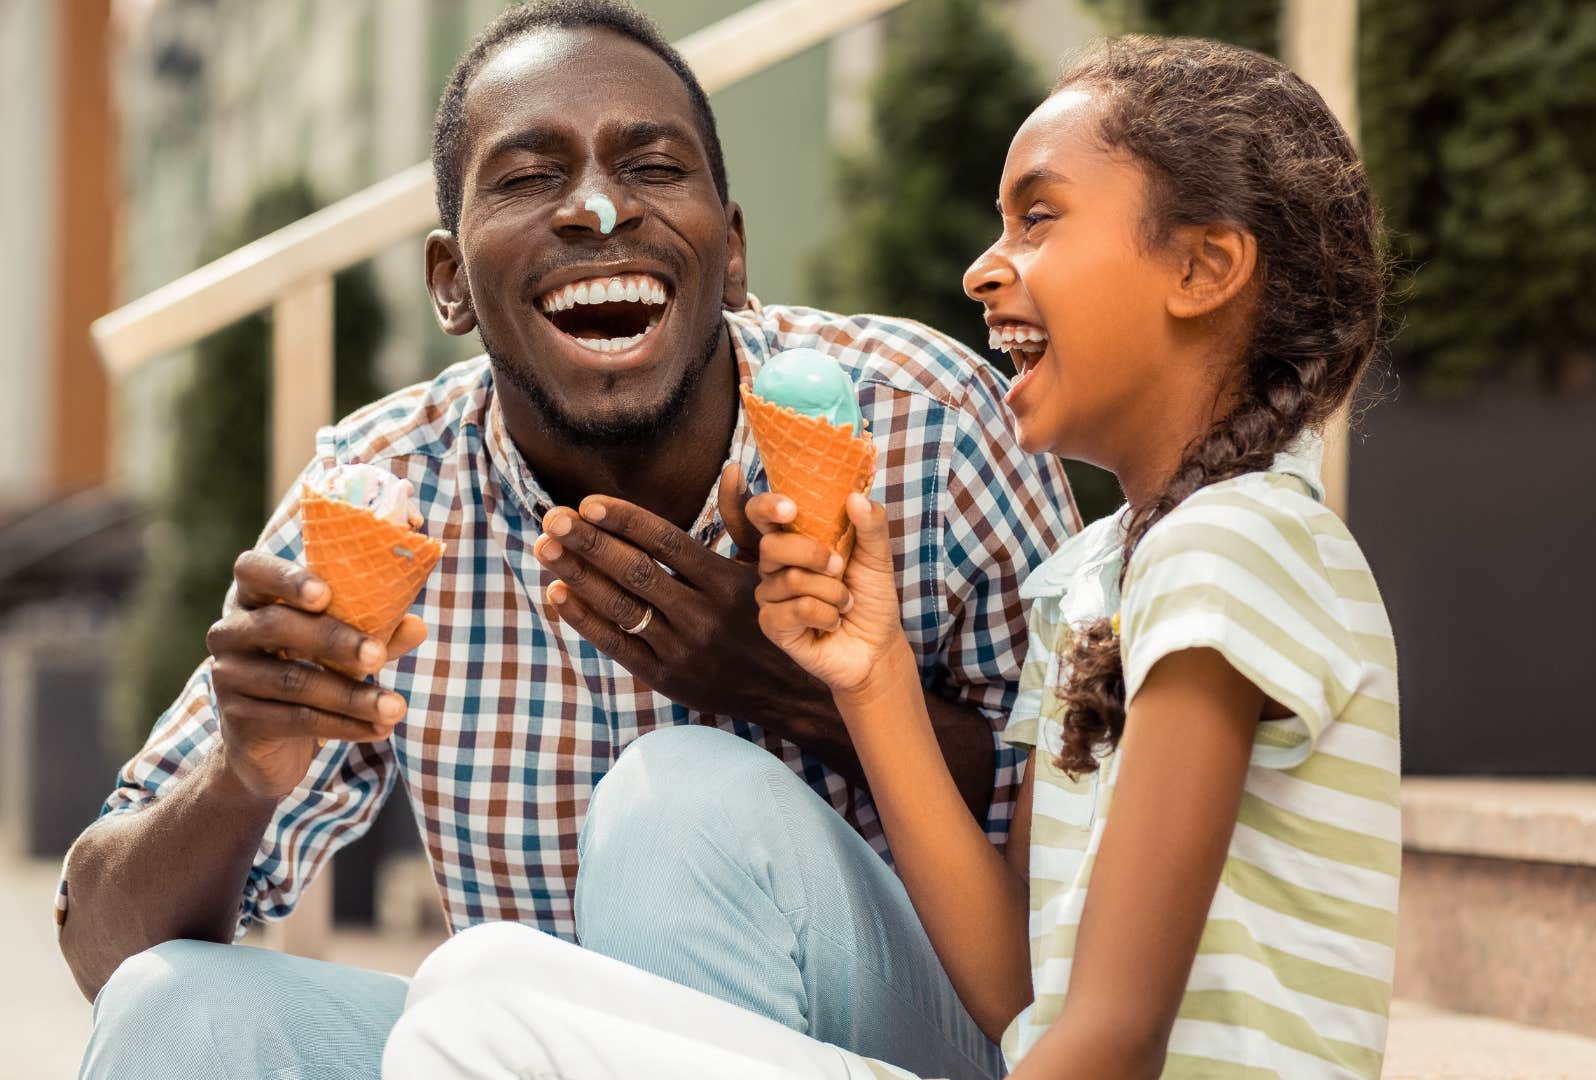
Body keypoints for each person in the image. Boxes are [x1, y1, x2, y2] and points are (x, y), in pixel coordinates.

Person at [58, 3, 1077, 1078]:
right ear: (450, 282)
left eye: (653, 166)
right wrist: (239, 774)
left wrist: (793, 692)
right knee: (180, 1008)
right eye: (529, 176)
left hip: (920, 1040)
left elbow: (1090, 839)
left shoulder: (925, 422)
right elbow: (99, 941)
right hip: (520, 1044)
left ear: (730, 253)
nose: (597, 208)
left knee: (680, 800)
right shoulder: (385, 497)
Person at [385, 33, 1399, 1080]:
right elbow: (1022, 991)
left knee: (479, 1028)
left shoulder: (1232, 548)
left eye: (1037, 219)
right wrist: (869, 678)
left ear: (1202, 267)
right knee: (478, 979)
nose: (982, 267)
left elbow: (1113, 1036)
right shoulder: (1095, 578)